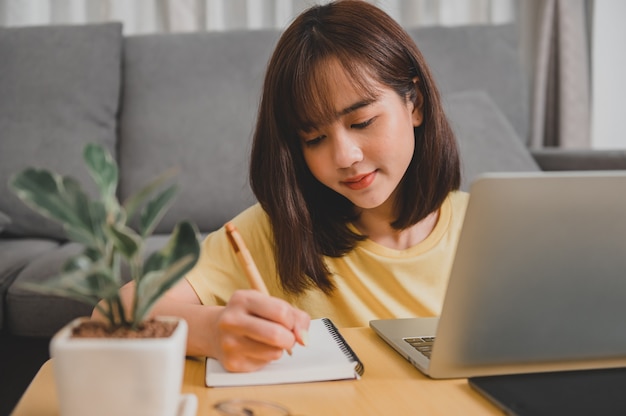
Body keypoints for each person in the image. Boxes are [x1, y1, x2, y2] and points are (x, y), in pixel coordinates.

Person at [99, 0, 468, 373]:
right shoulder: (274, 232)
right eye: (314, 138)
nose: (343, 155)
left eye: (361, 122)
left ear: (415, 103)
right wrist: (210, 331)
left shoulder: (488, 224)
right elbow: (111, 315)